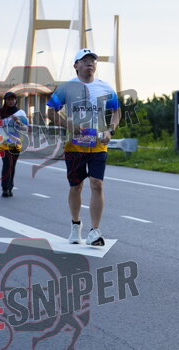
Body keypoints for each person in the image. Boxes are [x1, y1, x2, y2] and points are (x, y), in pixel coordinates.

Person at [47, 49, 121, 246]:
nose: (90, 63)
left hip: (98, 146)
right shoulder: (67, 88)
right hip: (75, 146)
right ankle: (75, 224)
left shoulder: (105, 87)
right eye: (85, 60)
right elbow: (51, 112)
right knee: (76, 186)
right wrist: (69, 125)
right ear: (76, 65)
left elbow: (117, 111)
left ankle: (95, 231)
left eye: (93, 61)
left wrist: (110, 131)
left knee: (97, 184)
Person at [0, 91, 29, 198]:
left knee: (12, 165)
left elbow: (26, 128)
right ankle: (5, 188)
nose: (11, 102)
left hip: (15, 142)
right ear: (5, 101)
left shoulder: (20, 113)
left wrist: (18, 121)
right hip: (2, 142)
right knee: (7, 163)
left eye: (13, 99)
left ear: (15, 100)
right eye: (9, 100)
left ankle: (10, 187)